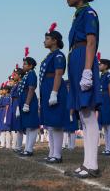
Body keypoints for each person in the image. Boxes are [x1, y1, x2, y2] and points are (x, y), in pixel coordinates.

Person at [63, 0, 101, 178]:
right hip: (76, 60)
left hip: (83, 59)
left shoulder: (89, 13)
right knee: (83, 115)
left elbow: (91, 42)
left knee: (88, 113)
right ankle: (87, 163)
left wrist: (87, 71)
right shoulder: (78, 14)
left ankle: (92, 165)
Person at [39, 23, 68, 163]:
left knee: (56, 124)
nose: (44, 41)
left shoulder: (58, 55)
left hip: (53, 88)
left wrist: (54, 92)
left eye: (47, 38)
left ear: (54, 40)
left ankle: (57, 154)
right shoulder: (50, 55)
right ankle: (52, 152)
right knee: (50, 125)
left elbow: (58, 74)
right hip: (47, 88)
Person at [19, 47, 40, 156]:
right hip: (25, 100)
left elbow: (31, 89)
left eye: (25, 64)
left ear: (31, 66)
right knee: (28, 126)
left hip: (29, 101)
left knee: (32, 126)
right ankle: (27, 148)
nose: (23, 66)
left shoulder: (32, 74)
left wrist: (27, 103)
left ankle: (30, 149)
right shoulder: (27, 74)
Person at [97, 56, 110, 156]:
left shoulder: (108, 75)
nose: (99, 66)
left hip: (107, 99)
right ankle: (107, 148)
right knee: (104, 125)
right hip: (102, 100)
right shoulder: (102, 76)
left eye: (101, 64)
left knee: (109, 125)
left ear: (106, 66)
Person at [10, 65, 25, 152]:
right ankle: (17, 145)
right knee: (17, 127)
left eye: (15, 75)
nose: (13, 76)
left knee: (19, 127)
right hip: (14, 104)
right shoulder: (16, 85)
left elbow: (20, 95)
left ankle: (19, 146)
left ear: (19, 75)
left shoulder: (20, 84)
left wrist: (18, 107)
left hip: (18, 103)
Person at [0, 83, 12, 148]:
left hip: (6, 113)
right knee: (2, 130)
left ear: (7, 90)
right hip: (2, 113)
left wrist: (6, 115)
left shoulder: (8, 97)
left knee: (7, 130)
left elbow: (7, 106)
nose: (2, 91)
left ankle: (8, 145)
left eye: (4, 90)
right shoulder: (3, 97)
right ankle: (2, 144)